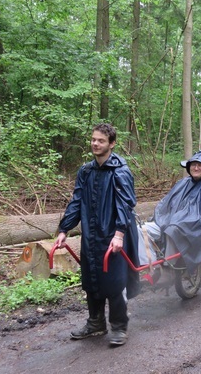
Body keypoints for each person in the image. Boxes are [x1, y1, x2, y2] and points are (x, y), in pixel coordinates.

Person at [55, 123, 139, 347]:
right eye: (93, 139)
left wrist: (119, 234)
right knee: (92, 279)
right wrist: (64, 229)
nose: (95, 143)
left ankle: (119, 327)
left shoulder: (120, 171)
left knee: (115, 281)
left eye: (101, 140)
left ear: (111, 144)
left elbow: (125, 204)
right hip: (91, 235)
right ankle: (95, 323)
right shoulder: (86, 171)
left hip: (114, 235)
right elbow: (76, 202)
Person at [138, 151, 201, 275]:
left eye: (200, 165)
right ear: (189, 167)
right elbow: (165, 203)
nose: (196, 168)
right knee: (141, 229)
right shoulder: (182, 183)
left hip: (192, 227)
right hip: (169, 221)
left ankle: (168, 268)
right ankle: (152, 266)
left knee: (172, 230)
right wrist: (158, 216)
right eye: (193, 165)